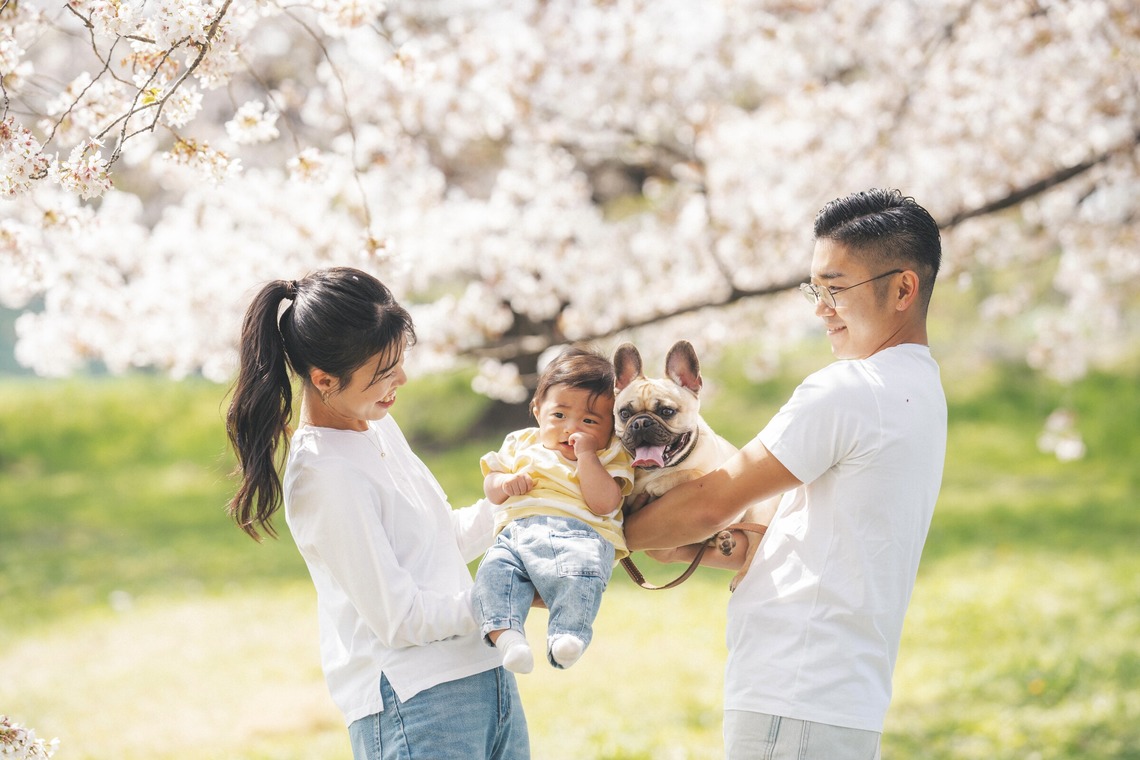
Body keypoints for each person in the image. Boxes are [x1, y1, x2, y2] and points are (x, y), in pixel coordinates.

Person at [624, 188, 948, 760]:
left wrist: (597, 540)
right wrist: (699, 548)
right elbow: (813, 538)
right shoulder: (922, 390)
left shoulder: (849, 389)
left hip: (793, 694)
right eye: (814, 289)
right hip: (841, 694)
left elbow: (709, 502)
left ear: (903, 289)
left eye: (837, 288)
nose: (821, 308)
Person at [225, 267, 529, 760]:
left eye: (399, 364)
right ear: (324, 380)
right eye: (383, 373)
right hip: (416, 703)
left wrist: (510, 508)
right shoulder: (326, 474)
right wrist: (501, 602)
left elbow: (432, 543)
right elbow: (400, 618)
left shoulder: (375, 425)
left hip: (484, 675)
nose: (401, 380)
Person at [472, 346, 635, 674]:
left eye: (589, 421)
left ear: (611, 428)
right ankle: (509, 639)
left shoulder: (609, 456)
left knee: (581, 577)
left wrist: (587, 456)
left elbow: (605, 503)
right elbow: (491, 487)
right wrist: (504, 483)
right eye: (559, 415)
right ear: (537, 410)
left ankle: (568, 636)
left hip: (580, 536)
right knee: (492, 577)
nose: (570, 428)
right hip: (515, 537)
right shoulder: (520, 443)